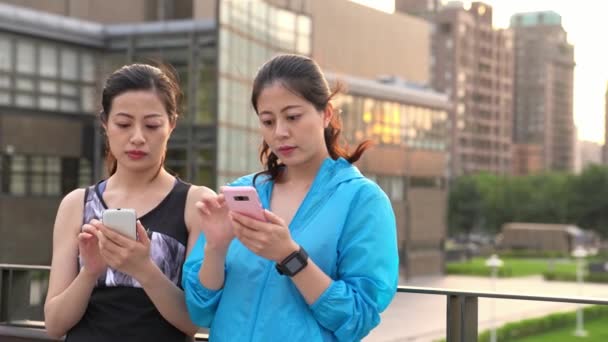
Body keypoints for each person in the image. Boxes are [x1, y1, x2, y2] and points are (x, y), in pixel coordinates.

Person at [183, 54, 399, 341]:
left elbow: (357, 317)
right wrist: (215, 248)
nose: (280, 133)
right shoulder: (244, 193)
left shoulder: (364, 201)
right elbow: (200, 311)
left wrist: (289, 256)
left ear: (326, 114)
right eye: (268, 121)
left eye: (293, 117)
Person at [44, 63, 211, 341]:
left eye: (152, 125)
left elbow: (191, 322)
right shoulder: (77, 203)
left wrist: (143, 268)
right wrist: (90, 272)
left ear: (172, 124)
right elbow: (55, 324)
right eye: (123, 124)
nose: (137, 137)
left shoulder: (196, 203)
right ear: (105, 124)